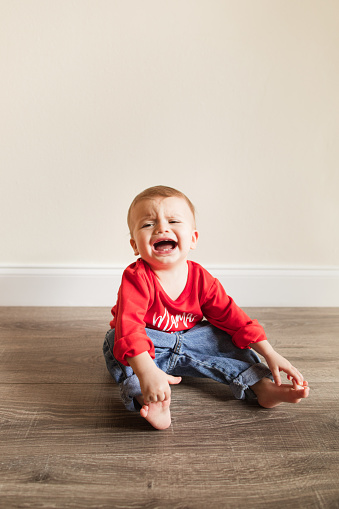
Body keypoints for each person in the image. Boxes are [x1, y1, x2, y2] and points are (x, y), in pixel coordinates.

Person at [103, 185, 309, 429]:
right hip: (149, 346)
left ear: (193, 239)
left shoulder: (202, 279)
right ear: (135, 245)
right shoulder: (136, 278)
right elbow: (131, 329)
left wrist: (269, 352)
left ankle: (262, 387)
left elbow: (234, 319)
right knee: (118, 342)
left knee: (221, 337)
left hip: (191, 339)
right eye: (148, 224)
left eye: (173, 220)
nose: (161, 228)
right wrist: (146, 370)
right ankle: (149, 397)